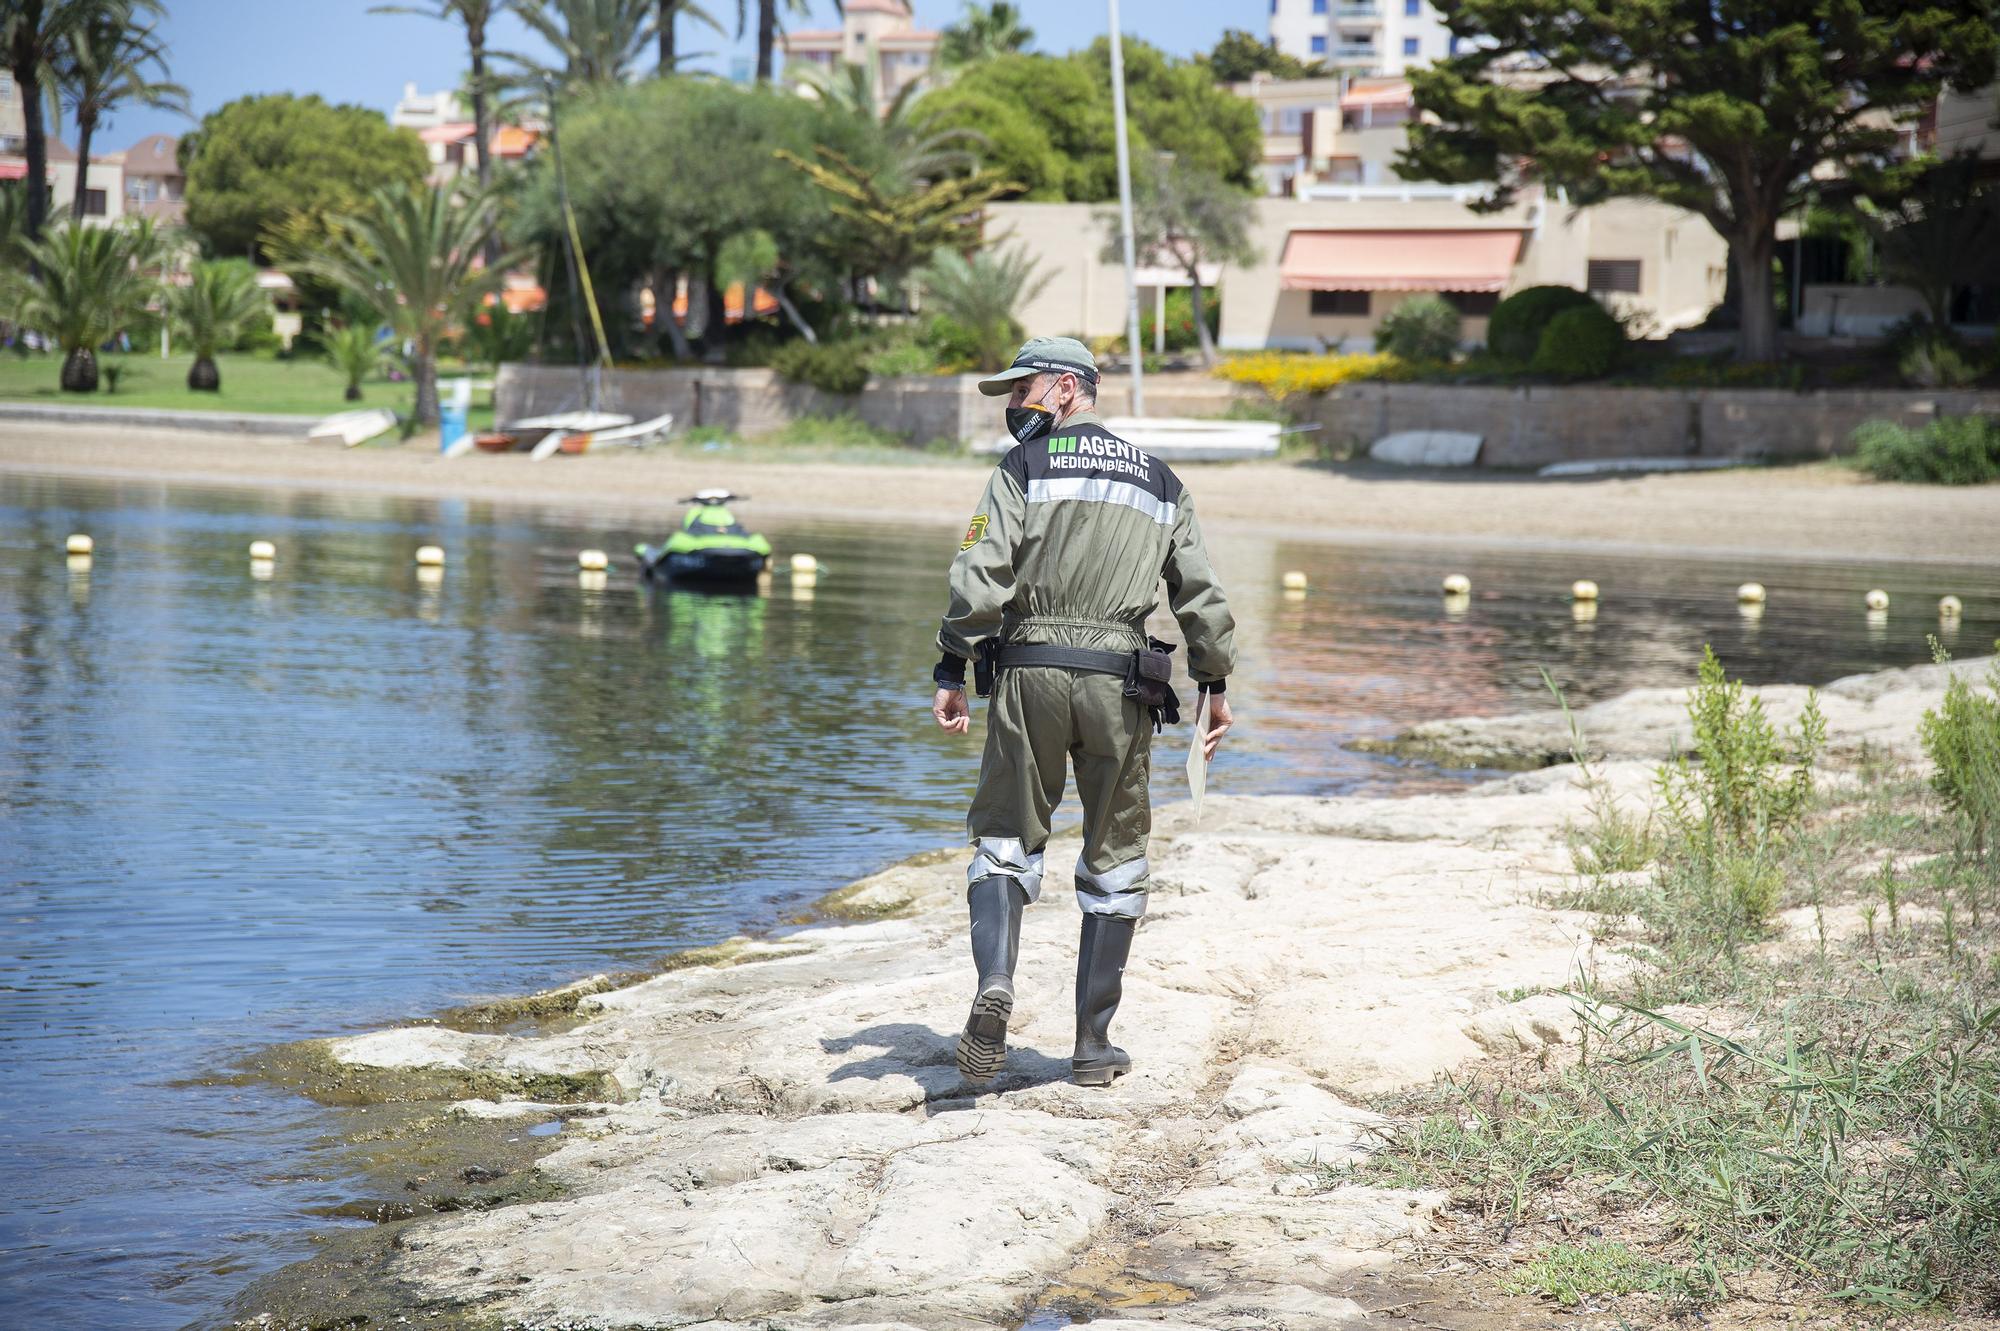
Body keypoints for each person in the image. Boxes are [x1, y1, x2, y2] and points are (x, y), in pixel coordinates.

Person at [931, 336, 1236, 1088]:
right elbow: (1199, 593)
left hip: (1028, 673)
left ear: (1067, 388)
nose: (1013, 406)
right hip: (1121, 686)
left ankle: (995, 982)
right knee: (1117, 855)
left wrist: (952, 663)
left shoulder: (1023, 468)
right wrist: (1214, 683)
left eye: (1024, 390)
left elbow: (980, 577)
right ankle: (1094, 1047)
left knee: (1004, 837)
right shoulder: (1162, 482)